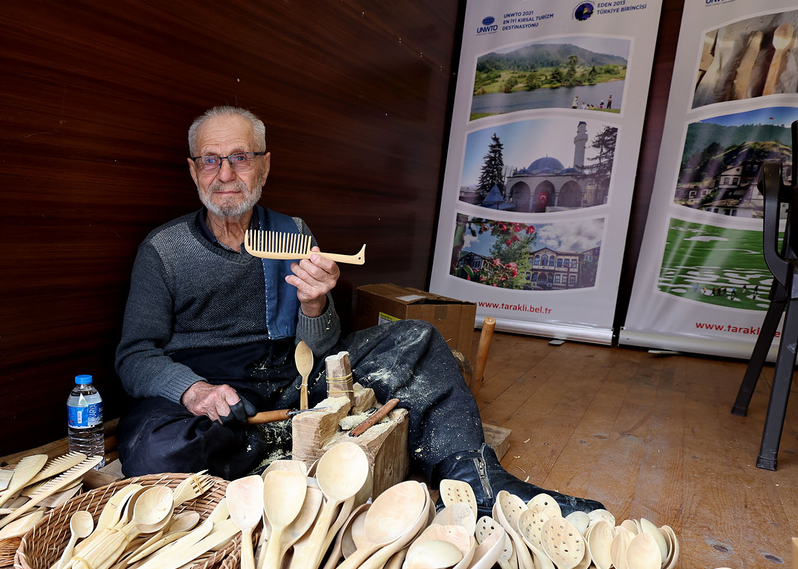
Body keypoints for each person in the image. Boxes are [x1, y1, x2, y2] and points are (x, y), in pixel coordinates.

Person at [114, 105, 603, 515]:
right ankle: (281, 451)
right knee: (154, 448)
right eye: (210, 160)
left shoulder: (292, 231)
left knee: (418, 338)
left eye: (239, 158)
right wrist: (193, 391)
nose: (225, 175)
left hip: (292, 374)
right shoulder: (165, 250)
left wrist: (316, 304)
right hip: (217, 396)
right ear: (193, 169)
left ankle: (476, 483)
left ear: (264, 166)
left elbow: (322, 349)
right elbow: (134, 356)